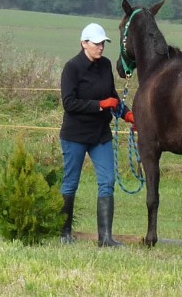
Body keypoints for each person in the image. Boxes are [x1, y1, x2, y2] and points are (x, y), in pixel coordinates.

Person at [59, 23, 134, 247]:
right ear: (84, 44)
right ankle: (64, 233)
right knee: (71, 183)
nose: (101, 47)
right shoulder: (71, 68)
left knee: (107, 181)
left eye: (103, 43)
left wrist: (128, 114)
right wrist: (100, 105)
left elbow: (112, 96)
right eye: (96, 43)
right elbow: (69, 103)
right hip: (75, 134)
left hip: (100, 134)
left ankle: (105, 237)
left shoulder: (106, 65)